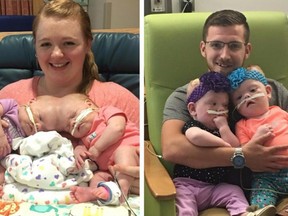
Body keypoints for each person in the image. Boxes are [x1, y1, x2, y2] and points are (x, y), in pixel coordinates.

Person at [0, 0, 139, 195]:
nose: (56, 54)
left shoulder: (116, 99)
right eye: (46, 44)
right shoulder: (11, 96)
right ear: (35, 47)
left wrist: (138, 177)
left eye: (69, 43)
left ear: (88, 44)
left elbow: (152, 162)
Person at [161, 10, 288, 210]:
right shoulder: (188, 97)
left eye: (234, 46)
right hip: (211, 192)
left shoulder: (271, 90)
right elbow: (172, 149)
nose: (224, 55)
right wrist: (241, 157)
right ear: (203, 48)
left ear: (247, 50)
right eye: (216, 45)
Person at [173, 71, 275, 216]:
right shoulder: (194, 126)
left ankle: (243, 213)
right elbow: (195, 137)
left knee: (234, 191)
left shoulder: (223, 130)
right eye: (213, 104)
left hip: (214, 188)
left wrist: (223, 127)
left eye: (225, 105)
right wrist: (223, 144)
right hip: (187, 185)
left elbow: (236, 145)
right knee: (184, 203)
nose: (220, 109)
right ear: (193, 109)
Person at [56, 93, 139, 205]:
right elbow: (80, 148)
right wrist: (78, 152)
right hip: (111, 170)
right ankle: (93, 193)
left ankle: (122, 191)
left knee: (123, 151)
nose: (73, 122)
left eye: (73, 115)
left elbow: (117, 128)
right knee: (97, 176)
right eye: (68, 126)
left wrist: (98, 148)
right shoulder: (83, 138)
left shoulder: (105, 112)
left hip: (135, 153)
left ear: (89, 105)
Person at [227, 67, 288, 209]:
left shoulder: (280, 112)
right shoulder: (242, 125)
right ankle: (259, 210)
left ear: (267, 92)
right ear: (237, 108)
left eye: (253, 90)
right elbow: (246, 151)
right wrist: (258, 137)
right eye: (239, 97)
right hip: (266, 177)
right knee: (261, 195)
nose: (247, 96)